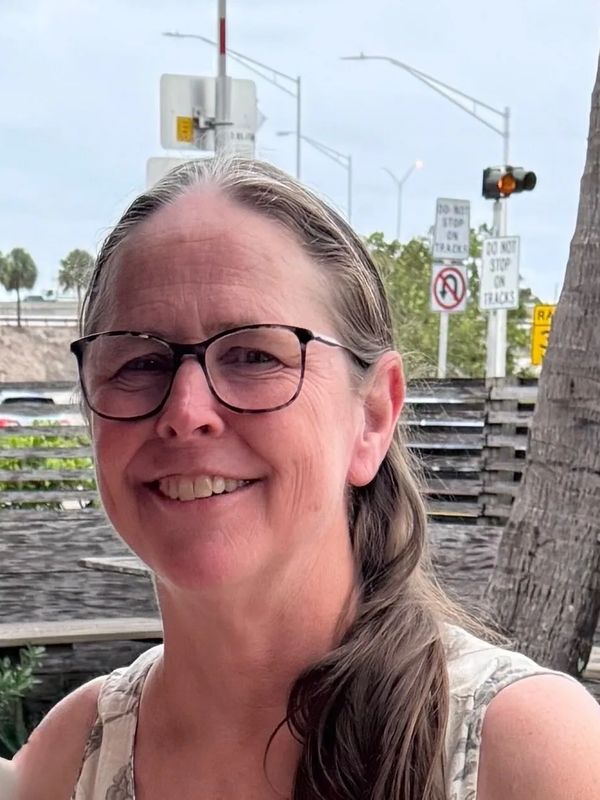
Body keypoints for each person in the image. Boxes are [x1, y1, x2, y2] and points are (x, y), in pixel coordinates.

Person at [8, 156, 600, 800]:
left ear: (373, 416)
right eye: (139, 362)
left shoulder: (525, 754)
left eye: (254, 355)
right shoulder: (72, 758)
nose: (185, 412)